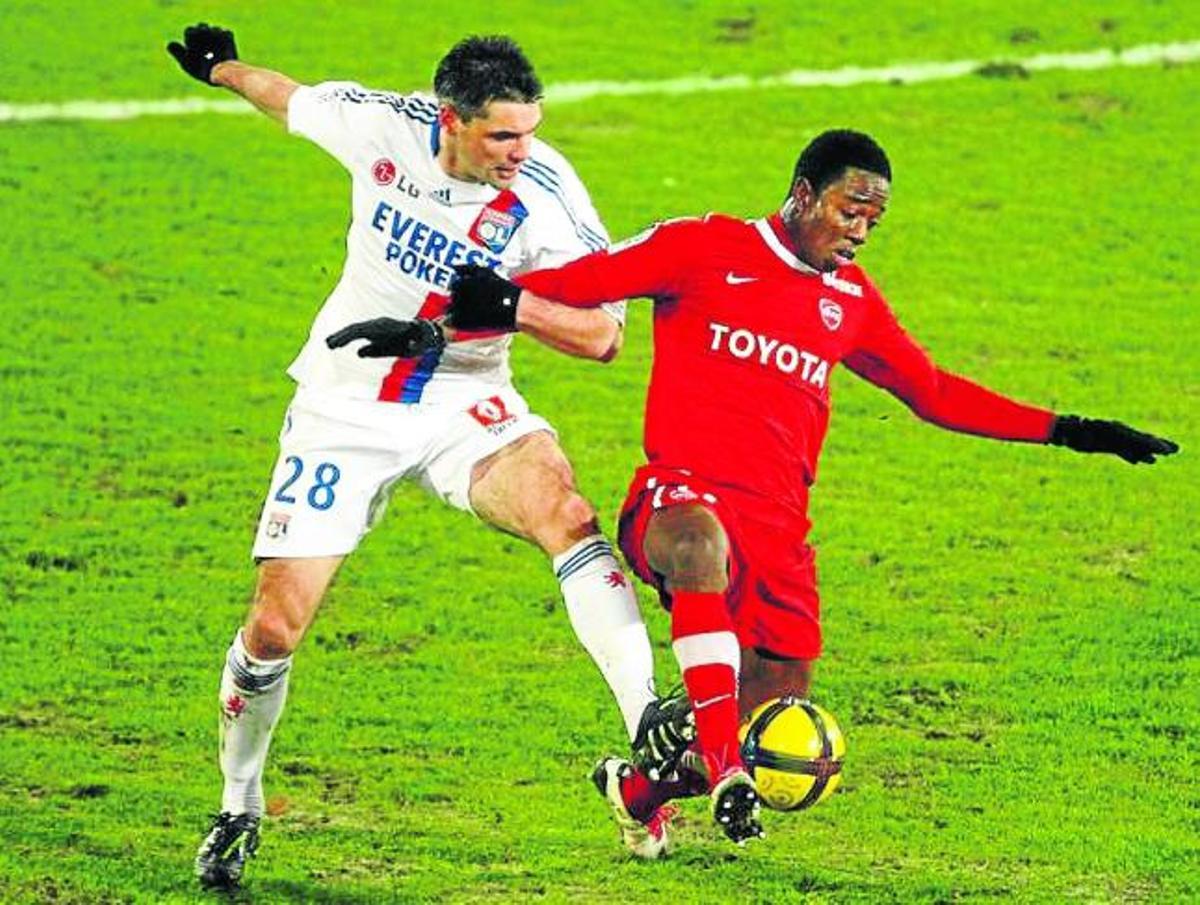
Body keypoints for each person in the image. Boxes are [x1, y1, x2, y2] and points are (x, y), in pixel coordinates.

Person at [330, 129, 1179, 855]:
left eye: (875, 220)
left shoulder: (850, 304)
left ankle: (642, 792)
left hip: (781, 538)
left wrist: (1071, 429)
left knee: (772, 724)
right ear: (803, 193)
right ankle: (727, 768)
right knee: (706, 584)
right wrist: (430, 328)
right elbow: (566, 287)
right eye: (851, 210)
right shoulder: (704, 247)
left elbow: (934, 392)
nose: (861, 232)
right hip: (679, 497)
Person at [166, 23, 679, 887]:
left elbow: (603, 336)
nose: (525, 150)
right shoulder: (379, 128)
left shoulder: (547, 195)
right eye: (503, 135)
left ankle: (648, 732)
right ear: (449, 119)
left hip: (463, 399)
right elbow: (288, 98)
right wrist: (222, 69)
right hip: (344, 405)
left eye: (532, 129)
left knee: (566, 513)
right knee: (273, 628)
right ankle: (238, 802)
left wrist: (515, 307)